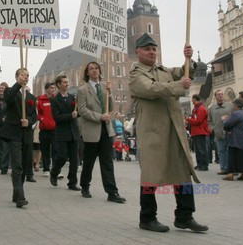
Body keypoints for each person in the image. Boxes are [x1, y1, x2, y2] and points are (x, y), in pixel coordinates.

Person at [129, 33, 208, 233]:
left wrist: (188, 59)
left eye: (154, 49)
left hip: (174, 130)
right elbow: (151, 89)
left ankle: (185, 216)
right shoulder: (136, 74)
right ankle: (147, 218)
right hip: (153, 133)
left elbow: (183, 72)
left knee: (182, 172)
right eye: (147, 49)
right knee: (150, 175)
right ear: (137, 52)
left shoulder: (163, 69)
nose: (152, 52)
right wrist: (178, 86)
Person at [78, 61, 125, 204]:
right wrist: (99, 117)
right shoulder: (82, 90)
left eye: (96, 68)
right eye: (91, 69)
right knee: (89, 162)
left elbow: (110, 107)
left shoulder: (105, 87)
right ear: (87, 72)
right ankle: (85, 186)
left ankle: (112, 192)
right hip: (92, 130)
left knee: (107, 162)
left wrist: (109, 93)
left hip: (106, 130)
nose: (94, 71)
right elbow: (82, 110)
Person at [0, 68, 37, 208]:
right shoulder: (11, 91)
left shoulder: (31, 97)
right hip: (13, 133)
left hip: (26, 134)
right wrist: (17, 84)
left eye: (27, 75)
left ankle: (16, 193)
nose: (25, 77)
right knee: (17, 165)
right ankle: (21, 197)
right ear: (17, 77)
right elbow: (7, 98)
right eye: (22, 75)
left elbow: (35, 115)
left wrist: (29, 120)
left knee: (25, 164)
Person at [49, 75, 80, 191]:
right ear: (58, 85)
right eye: (64, 82)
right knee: (62, 156)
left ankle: (72, 182)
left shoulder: (73, 97)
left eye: (67, 82)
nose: (67, 84)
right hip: (62, 132)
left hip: (73, 131)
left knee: (74, 159)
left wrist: (77, 112)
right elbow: (56, 117)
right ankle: (54, 172)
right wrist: (70, 116)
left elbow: (77, 112)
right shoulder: (55, 100)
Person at [222, 98, 243, 181]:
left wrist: (224, 120)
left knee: (233, 156)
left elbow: (228, 124)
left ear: (235, 106)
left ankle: (230, 174)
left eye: (233, 105)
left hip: (237, 140)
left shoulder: (236, 114)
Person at [208, 90, 233, 174]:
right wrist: (211, 128)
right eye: (218, 94)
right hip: (218, 132)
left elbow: (234, 116)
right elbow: (209, 120)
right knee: (221, 151)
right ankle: (223, 168)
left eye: (222, 94)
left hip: (229, 132)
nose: (220, 96)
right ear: (215, 96)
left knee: (230, 151)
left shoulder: (230, 106)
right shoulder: (212, 108)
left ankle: (231, 168)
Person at [185, 94, 210, 171]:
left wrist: (188, 119)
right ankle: (199, 164)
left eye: (192, 99)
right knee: (197, 150)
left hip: (200, 131)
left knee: (201, 149)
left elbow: (199, 121)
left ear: (195, 99)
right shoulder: (196, 109)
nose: (191, 101)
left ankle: (204, 165)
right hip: (195, 131)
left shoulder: (201, 109)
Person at [37, 82, 57, 176]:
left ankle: (55, 169)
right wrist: (42, 119)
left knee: (55, 150)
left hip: (55, 129)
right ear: (47, 89)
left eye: (54, 88)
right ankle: (46, 169)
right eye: (51, 88)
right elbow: (37, 113)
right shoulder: (41, 100)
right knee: (45, 151)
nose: (53, 89)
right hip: (44, 129)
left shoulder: (56, 99)